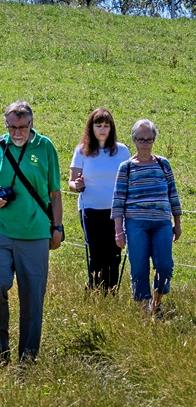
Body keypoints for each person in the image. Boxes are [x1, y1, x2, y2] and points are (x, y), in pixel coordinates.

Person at [0, 101, 63, 367]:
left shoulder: (45, 147)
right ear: (6, 125)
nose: (17, 133)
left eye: (23, 127)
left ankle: (27, 357)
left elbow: (55, 193)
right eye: (12, 127)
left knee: (32, 298)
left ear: (31, 124)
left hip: (35, 233)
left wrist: (57, 227)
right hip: (0, 230)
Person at [112, 119, 182, 316]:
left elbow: (173, 194)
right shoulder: (126, 168)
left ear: (154, 140)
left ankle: (157, 303)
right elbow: (118, 201)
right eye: (141, 139)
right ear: (134, 140)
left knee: (165, 265)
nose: (145, 143)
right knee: (139, 266)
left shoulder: (163, 164)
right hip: (136, 224)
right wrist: (119, 231)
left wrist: (177, 223)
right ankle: (144, 311)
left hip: (162, 223)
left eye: (149, 139)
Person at [68, 108, 130, 292]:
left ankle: (111, 291)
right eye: (98, 125)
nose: (102, 129)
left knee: (114, 253)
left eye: (106, 125)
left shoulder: (122, 150)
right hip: (90, 209)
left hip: (116, 211)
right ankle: (94, 290)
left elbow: (129, 179)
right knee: (96, 252)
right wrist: (77, 185)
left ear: (111, 128)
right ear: (91, 128)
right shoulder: (82, 150)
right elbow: (71, 182)